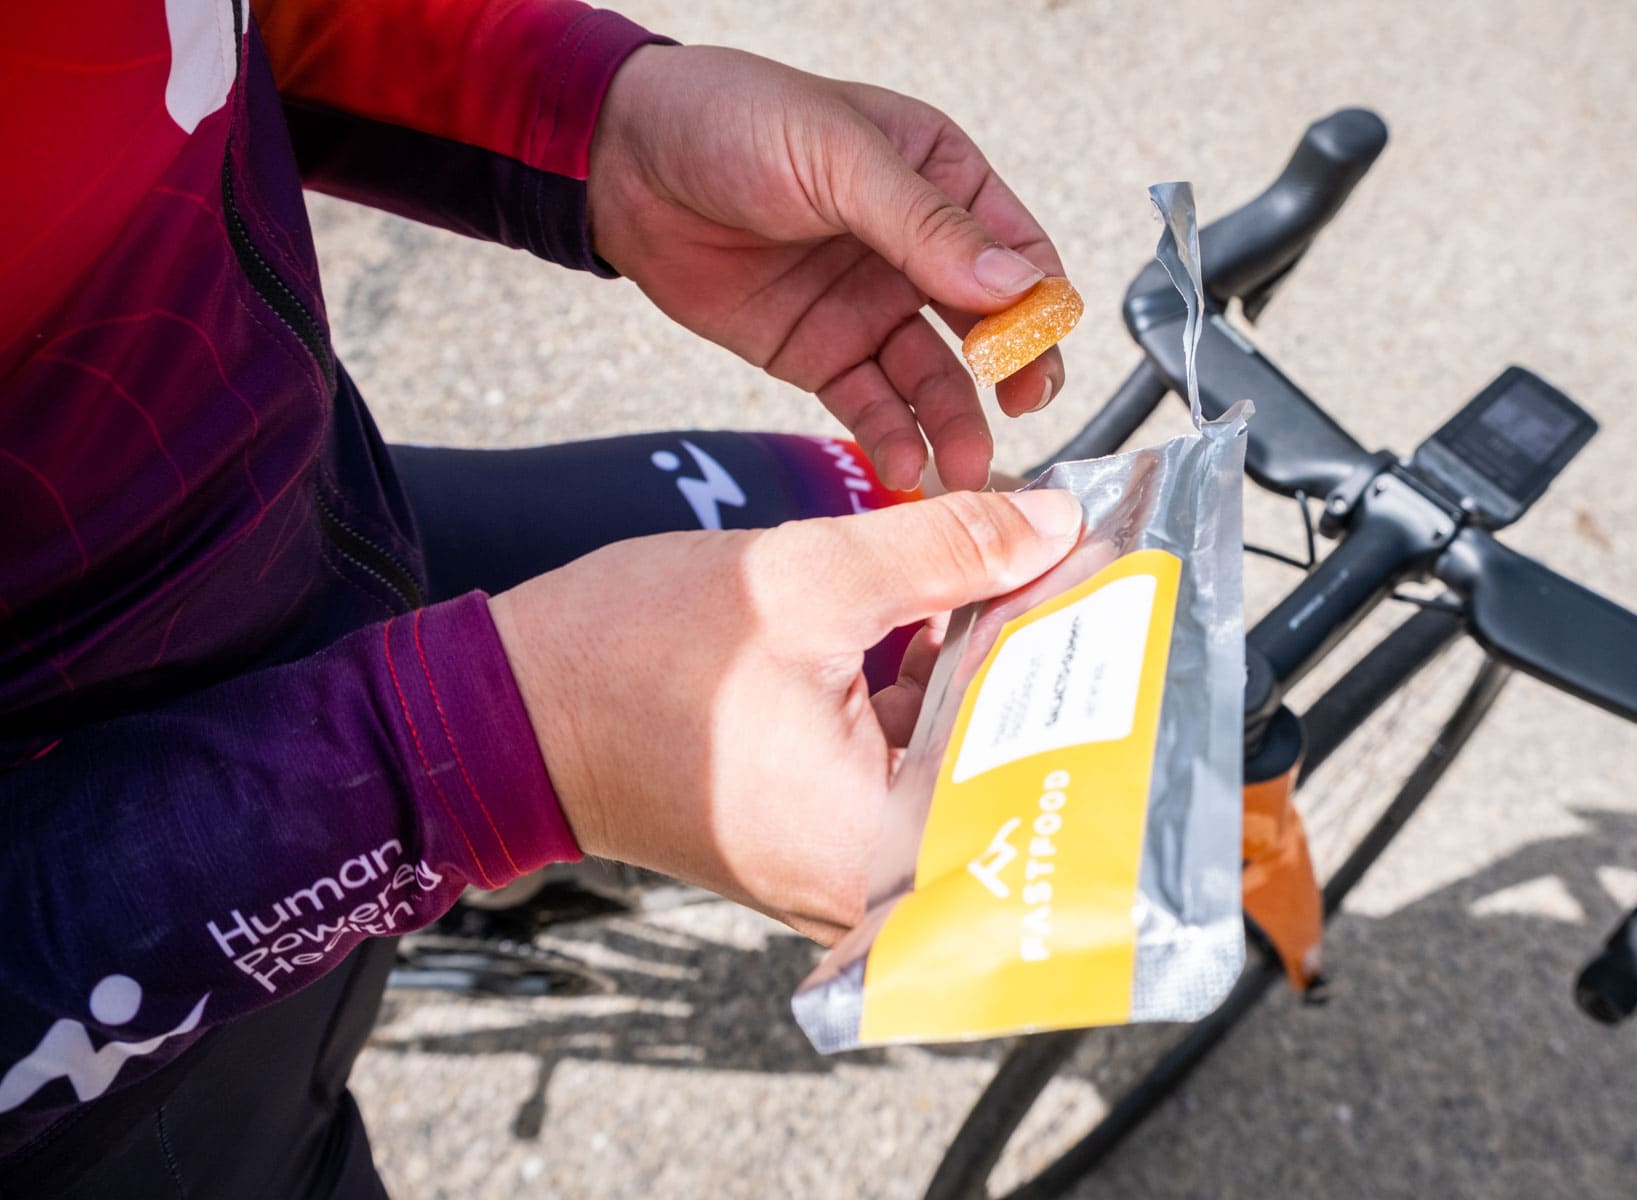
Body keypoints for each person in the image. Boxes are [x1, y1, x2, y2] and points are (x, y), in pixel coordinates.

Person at [0, 1, 1080, 1194]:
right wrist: (487, 755)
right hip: (104, 1087)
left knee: (835, 508)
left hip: (316, 543)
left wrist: (597, 121)